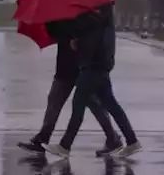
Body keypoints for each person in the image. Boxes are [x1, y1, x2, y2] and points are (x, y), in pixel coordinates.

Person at [47, 3, 141, 160]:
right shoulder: (102, 15)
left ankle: (65, 145)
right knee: (110, 104)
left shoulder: (97, 15)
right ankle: (132, 141)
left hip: (94, 65)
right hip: (100, 64)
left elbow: (92, 40)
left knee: (79, 102)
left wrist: (78, 42)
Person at [16, 21, 121, 158]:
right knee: (55, 101)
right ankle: (43, 138)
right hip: (66, 66)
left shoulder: (86, 15)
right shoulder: (61, 15)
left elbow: (93, 37)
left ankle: (112, 137)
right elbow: (55, 34)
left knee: (93, 103)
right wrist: (53, 24)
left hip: (84, 66)